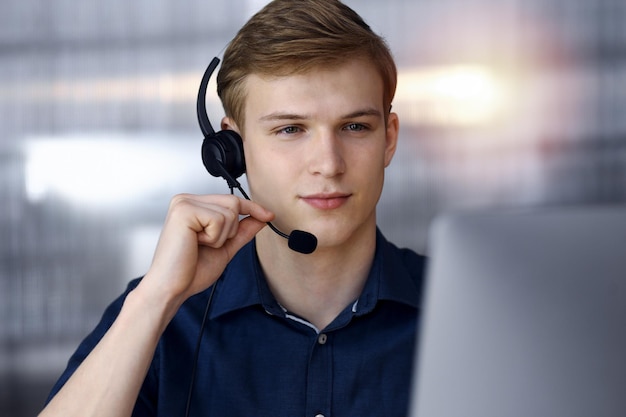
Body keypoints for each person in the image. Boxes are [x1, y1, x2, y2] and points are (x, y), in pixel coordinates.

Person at [39, 0, 426, 416]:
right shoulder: (161, 315)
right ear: (234, 149)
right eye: (290, 129)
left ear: (388, 138)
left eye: (354, 127)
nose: (329, 164)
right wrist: (156, 299)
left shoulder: (467, 309)